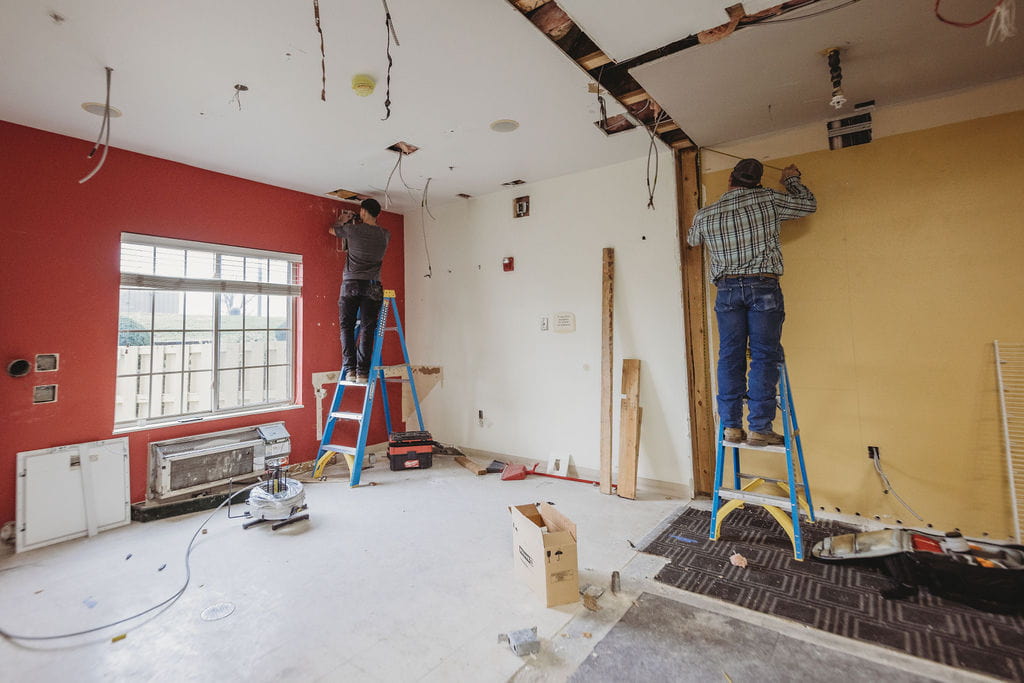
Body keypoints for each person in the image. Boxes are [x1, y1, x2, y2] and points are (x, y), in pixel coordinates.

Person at [687, 158, 816, 446]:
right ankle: (759, 427)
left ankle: (731, 426)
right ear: (758, 181)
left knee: (730, 356)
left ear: (731, 178)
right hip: (763, 286)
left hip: (727, 290)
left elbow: (692, 239)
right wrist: (791, 179)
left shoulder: (707, 213)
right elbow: (808, 204)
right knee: (763, 356)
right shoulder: (769, 199)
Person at [330, 198, 390, 384]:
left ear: (363, 212)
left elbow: (332, 230)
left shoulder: (352, 230)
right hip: (373, 285)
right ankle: (363, 373)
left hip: (351, 284)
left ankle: (350, 370)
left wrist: (343, 219)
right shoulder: (385, 234)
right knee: (367, 328)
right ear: (378, 214)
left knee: (347, 326)